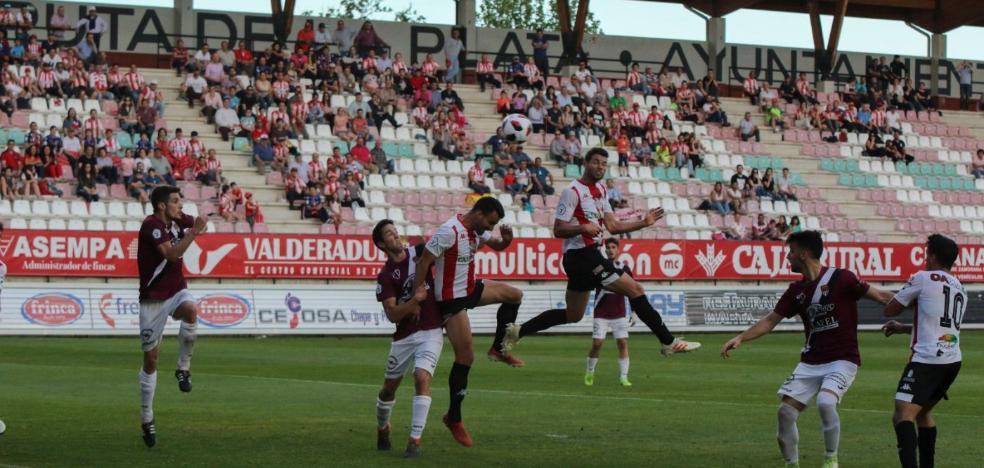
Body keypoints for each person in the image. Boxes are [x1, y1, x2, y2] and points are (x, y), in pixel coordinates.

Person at [503, 148, 701, 356]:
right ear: (586, 163)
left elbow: (613, 226)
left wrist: (643, 223)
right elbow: (558, 229)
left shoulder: (601, 191)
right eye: (596, 162)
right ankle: (668, 341)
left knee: (574, 315)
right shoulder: (573, 191)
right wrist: (583, 227)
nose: (600, 167)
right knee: (636, 290)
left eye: (604, 164)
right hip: (582, 256)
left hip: (585, 257)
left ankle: (518, 331)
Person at [720, 230, 893, 468]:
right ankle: (792, 464)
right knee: (785, 413)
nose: (787, 257)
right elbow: (770, 321)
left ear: (803, 253)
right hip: (811, 362)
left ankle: (831, 459)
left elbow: (882, 297)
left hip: (842, 360)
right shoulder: (796, 291)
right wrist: (741, 337)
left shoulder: (842, 278)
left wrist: (917, 303)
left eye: (790, 252)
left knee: (825, 402)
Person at [410, 197, 527, 447]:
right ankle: (454, 417)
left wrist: (506, 242)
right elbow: (424, 262)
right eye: (490, 222)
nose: (490, 228)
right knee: (466, 358)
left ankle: (499, 348)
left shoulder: (476, 230)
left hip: (470, 289)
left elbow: (496, 245)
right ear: (479, 213)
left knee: (515, 295)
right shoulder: (448, 231)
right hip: (452, 299)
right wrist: (416, 298)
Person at [881, 234, 966, 468]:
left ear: (933, 255)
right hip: (952, 360)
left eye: (927, 253)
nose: (925, 258)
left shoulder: (923, 277)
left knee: (902, 414)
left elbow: (891, 310)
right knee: (923, 412)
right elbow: (939, 325)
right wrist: (903, 329)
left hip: (928, 360)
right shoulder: (959, 287)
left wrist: (897, 300)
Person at [137, 186, 208, 448]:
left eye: (180, 201)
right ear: (161, 206)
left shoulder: (178, 219)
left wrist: (196, 226)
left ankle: (183, 368)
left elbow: (203, 226)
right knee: (151, 360)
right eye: (176, 202)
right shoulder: (151, 226)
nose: (181, 206)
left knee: (191, 310)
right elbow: (171, 254)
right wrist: (193, 232)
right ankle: (147, 418)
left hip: (176, 291)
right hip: (153, 300)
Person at [372, 220, 445, 458]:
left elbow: (445, 247)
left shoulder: (420, 252)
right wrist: (415, 301)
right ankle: (383, 427)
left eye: (395, 230)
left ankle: (414, 440)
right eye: (388, 234)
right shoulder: (385, 275)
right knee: (388, 390)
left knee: (421, 377)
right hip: (404, 336)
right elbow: (392, 314)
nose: (395, 234)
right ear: (382, 244)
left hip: (431, 329)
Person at [584, 238, 635, 387]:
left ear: (618, 250)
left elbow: (632, 290)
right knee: (597, 344)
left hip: (619, 313)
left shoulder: (624, 269)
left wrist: (634, 311)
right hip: (601, 313)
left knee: (622, 343)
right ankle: (590, 371)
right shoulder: (599, 267)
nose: (610, 250)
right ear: (604, 250)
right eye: (608, 247)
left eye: (613, 247)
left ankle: (623, 377)